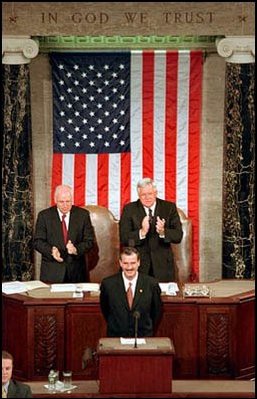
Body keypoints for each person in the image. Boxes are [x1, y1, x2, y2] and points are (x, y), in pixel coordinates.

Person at [119, 177, 183, 282]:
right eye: (143, 195)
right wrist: (142, 232)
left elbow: (178, 236)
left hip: (163, 266)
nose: (147, 197)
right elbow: (124, 238)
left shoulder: (169, 207)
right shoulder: (129, 209)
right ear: (138, 195)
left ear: (156, 193)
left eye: (150, 194)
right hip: (138, 266)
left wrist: (163, 232)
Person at [34, 185, 95, 283]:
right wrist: (51, 250)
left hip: (76, 273)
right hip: (52, 272)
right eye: (61, 202)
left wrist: (76, 249)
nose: (65, 205)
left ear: (72, 200)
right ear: (55, 200)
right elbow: (38, 241)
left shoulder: (83, 215)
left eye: (68, 201)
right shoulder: (44, 216)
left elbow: (89, 241)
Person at [100, 247, 162, 337]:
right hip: (116, 337)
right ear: (120, 263)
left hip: (143, 336)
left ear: (138, 263)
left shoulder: (151, 284)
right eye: (125, 263)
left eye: (133, 263)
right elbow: (105, 310)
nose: (129, 267)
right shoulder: (108, 284)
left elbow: (156, 312)